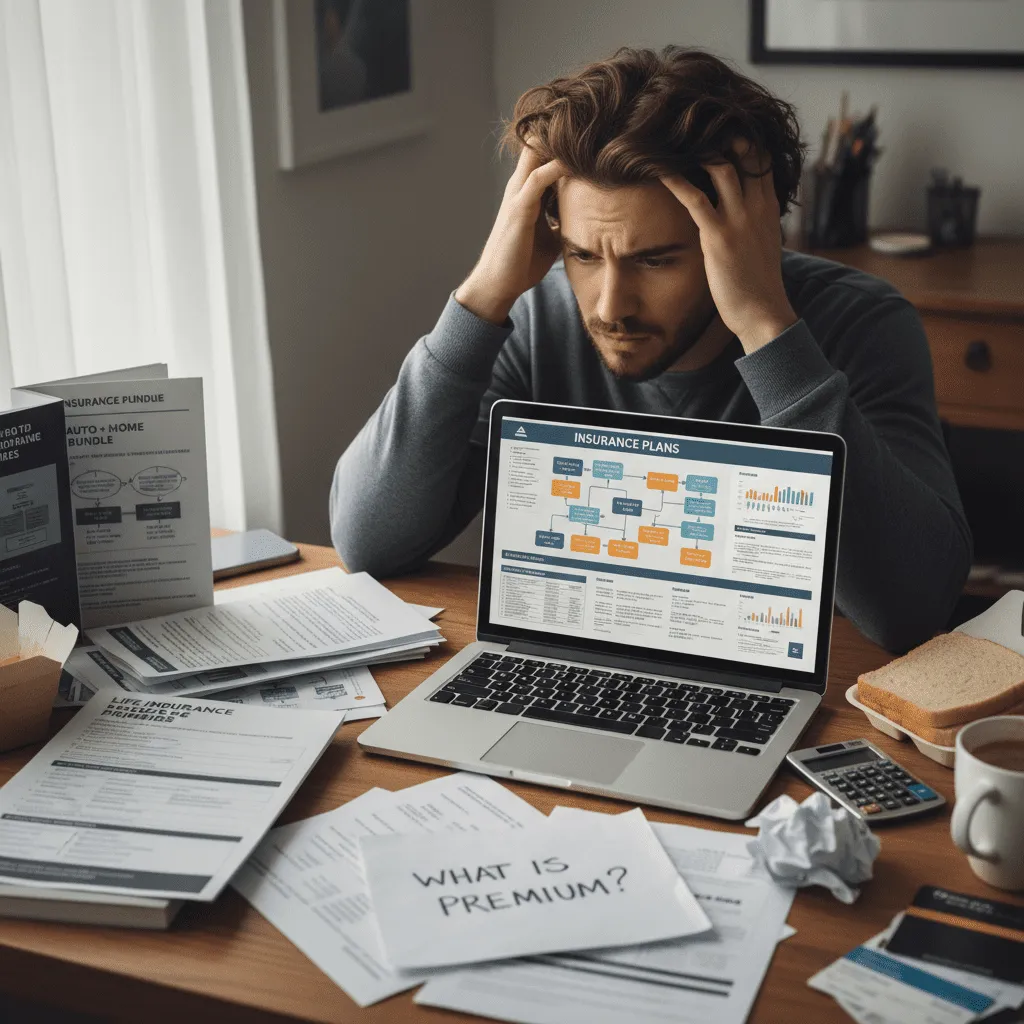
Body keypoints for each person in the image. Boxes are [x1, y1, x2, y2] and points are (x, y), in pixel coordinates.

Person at [330, 46, 971, 653]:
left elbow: (912, 610)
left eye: (656, 260)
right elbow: (367, 543)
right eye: (584, 255)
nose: (610, 306)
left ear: (748, 237)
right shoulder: (535, 321)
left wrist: (768, 329)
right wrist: (480, 302)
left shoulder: (861, 325)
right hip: (576, 671)